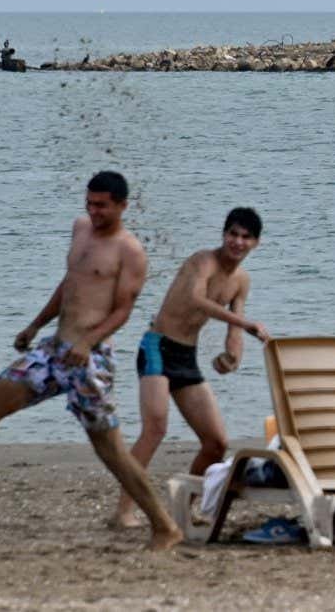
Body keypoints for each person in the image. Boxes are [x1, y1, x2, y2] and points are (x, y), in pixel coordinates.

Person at [0, 171, 183, 551]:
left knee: (110, 450)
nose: (94, 210)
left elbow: (122, 310)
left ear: (122, 205)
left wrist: (88, 341)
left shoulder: (130, 251)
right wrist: (35, 325)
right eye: (90, 202)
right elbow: (70, 284)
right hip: (53, 351)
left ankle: (165, 526)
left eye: (102, 205)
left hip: (90, 359)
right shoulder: (81, 229)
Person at [113, 207, 270, 528]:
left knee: (216, 443)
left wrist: (232, 356)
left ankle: (185, 508)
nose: (237, 242)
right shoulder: (203, 261)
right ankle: (123, 512)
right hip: (157, 347)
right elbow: (197, 300)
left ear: (256, 243)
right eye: (233, 234)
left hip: (186, 357)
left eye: (245, 237)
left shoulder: (241, 280)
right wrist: (245, 323)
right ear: (223, 234)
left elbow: (235, 328)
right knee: (155, 429)